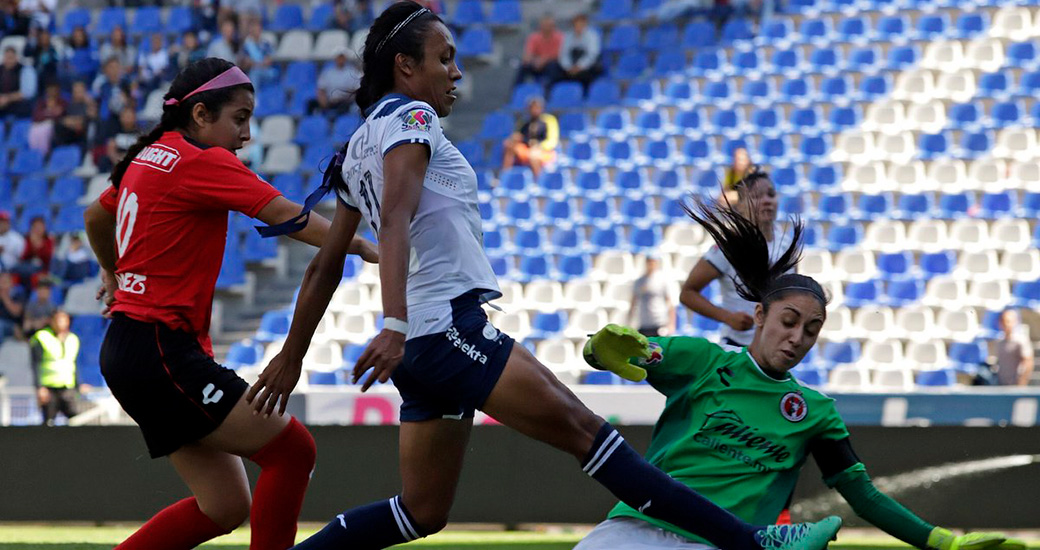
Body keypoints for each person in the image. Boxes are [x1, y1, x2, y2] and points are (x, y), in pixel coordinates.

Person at [249, 4, 840, 550]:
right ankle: (753, 543)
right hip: (444, 330)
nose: (456, 71)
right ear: (405, 66)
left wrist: (293, 355)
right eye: (444, 58)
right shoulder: (414, 115)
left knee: (421, 511)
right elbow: (397, 217)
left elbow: (326, 263)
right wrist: (395, 324)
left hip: (423, 347)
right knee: (589, 434)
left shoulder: (356, 146)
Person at [575, 198, 1027, 550]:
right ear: (759, 315)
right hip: (635, 527)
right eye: (788, 322)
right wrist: (602, 348)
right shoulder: (703, 360)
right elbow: (626, 352)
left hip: (725, 542)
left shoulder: (816, 412)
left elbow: (864, 497)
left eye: (811, 330)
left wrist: (940, 541)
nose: (797, 338)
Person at [82, 57, 377, 550]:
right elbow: (287, 215)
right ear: (201, 114)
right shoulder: (201, 160)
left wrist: (112, 273)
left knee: (223, 506)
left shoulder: (151, 155)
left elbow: (96, 215)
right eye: (239, 118)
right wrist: (361, 244)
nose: (246, 133)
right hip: (160, 351)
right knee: (292, 452)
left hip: (130, 349)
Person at [681, 167, 789, 348]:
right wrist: (728, 317)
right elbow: (687, 293)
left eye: (771, 194)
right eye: (756, 196)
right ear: (740, 205)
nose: (767, 200)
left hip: (775, 347)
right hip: (738, 346)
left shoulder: (786, 243)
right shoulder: (730, 246)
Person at [30, 309, 84, 426]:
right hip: (49, 388)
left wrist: (78, 386)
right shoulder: (42, 337)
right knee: (49, 422)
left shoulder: (73, 339)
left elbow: (74, 364)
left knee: (76, 420)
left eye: (63, 319)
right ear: (51, 321)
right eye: (58, 320)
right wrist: (39, 387)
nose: (61, 323)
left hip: (67, 387)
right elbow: (35, 364)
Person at [500, 95, 558, 178]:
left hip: (544, 152)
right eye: (531, 108)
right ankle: (505, 177)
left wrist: (539, 146)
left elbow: (552, 141)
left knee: (533, 155)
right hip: (527, 149)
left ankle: (538, 181)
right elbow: (521, 137)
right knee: (509, 145)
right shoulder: (525, 123)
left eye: (536, 107)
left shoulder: (548, 121)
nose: (534, 110)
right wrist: (516, 138)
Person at [552, 13, 602, 92]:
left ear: (585, 24)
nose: (578, 26)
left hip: (586, 66)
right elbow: (563, 54)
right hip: (571, 65)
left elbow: (592, 54)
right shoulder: (568, 36)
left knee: (590, 72)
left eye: (581, 24)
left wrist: (579, 66)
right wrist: (568, 67)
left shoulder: (592, 36)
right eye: (576, 24)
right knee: (554, 69)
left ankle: (585, 93)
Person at [629, 255, 676, 338]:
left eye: (653, 262)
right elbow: (633, 302)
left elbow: (669, 303)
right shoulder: (639, 282)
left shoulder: (662, 281)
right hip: (644, 323)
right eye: (649, 261)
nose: (651, 264)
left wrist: (671, 324)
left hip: (659, 323)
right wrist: (630, 321)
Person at [309, 47, 361, 115]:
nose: (340, 59)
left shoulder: (353, 72)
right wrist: (323, 101)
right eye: (339, 57)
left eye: (342, 57)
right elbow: (321, 89)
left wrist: (348, 98)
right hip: (330, 101)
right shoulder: (328, 73)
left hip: (345, 102)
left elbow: (357, 89)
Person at [514, 15, 562, 88]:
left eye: (550, 25)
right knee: (524, 66)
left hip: (551, 63)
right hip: (536, 62)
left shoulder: (560, 37)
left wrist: (544, 60)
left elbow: (559, 54)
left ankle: (548, 88)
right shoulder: (533, 37)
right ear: (541, 26)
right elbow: (528, 54)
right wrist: (535, 60)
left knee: (554, 65)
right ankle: (516, 89)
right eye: (545, 25)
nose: (547, 28)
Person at [993, 309, 1034, 387]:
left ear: (1015, 322)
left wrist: (1022, 383)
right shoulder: (999, 342)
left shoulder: (1021, 340)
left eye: (1008, 321)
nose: (1006, 324)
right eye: (1003, 321)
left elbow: (1028, 362)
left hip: (1016, 385)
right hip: (1002, 385)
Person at [12, 216, 54, 291]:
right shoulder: (27, 239)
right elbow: (24, 256)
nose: (38, 229)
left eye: (40, 227)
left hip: (42, 267)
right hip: (28, 265)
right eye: (36, 227)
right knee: (17, 270)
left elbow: (47, 257)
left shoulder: (48, 240)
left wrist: (37, 246)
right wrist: (32, 243)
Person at [53, 80, 95, 148]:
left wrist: (74, 121)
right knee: (57, 125)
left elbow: (87, 120)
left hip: (83, 134)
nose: (78, 94)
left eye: (80, 91)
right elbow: (65, 120)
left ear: (84, 92)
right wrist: (70, 122)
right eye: (75, 92)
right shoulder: (70, 105)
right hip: (70, 132)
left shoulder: (89, 104)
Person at [27, 81, 65, 154]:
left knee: (47, 127)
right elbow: (36, 116)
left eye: (54, 90)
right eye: (50, 90)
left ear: (58, 90)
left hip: (55, 129)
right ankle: (35, 153)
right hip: (39, 124)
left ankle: (44, 153)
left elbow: (58, 116)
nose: (52, 92)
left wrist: (47, 113)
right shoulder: (42, 103)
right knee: (33, 127)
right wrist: (49, 113)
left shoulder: (63, 102)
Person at [0, 45, 37, 117]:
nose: (8, 61)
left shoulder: (25, 70)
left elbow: (27, 93)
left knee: (26, 105)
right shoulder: (1, 69)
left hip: (18, 103)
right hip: (1, 101)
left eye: (11, 58)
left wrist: (8, 98)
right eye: (7, 58)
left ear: (16, 58)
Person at [0, 271, 25, 340]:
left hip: (13, 325)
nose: (2, 285)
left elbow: (16, 313)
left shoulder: (17, 294)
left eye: (4, 282)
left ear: (11, 283)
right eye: (0, 282)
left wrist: (5, 298)